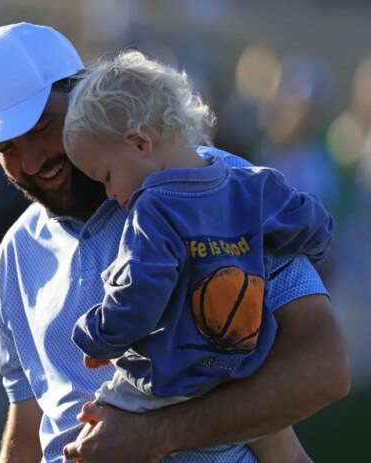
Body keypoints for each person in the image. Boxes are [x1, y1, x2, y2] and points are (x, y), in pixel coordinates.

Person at [0, 23, 349, 463]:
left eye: (42, 126)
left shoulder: (215, 186)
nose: (30, 161)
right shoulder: (16, 251)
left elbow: (323, 369)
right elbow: (29, 427)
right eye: (4, 148)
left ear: (83, 93)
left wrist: (155, 436)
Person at [62, 50, 334, 462]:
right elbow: (311, 222)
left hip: (172, 374)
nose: (110, 195)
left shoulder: (153, 208)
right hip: (243, 369)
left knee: (97, 432)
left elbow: (139, 296)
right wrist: (312, 245)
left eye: (106, 177)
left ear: (140, 142)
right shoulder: (250, 185)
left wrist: (98, 337)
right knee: (281, 447)